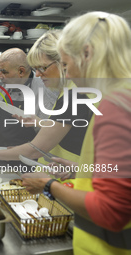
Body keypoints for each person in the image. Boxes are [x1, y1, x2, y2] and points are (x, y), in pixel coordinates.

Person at [22, 12, 131, 254]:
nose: (67, 75)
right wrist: (78, 169)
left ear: (88, 54)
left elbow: (112, 212)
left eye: (66, 64)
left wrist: (48, 184)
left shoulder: (116, 106)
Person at [0, 31, 91, 178]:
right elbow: (66, 128)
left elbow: (35, 149)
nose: (37, 74)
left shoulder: (74, 94)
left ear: (63, 62)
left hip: (75, 181)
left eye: (42, 68)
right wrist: (40, 122)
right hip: (62, 172)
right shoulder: (66, 90)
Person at [0, 48, 58, 148]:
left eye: (4, 72)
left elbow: (48, 131)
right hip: (0, 150)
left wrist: (18, 150)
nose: (0, 76)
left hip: (28, 156)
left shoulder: (44, 89)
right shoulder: (7, 84)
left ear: (21, 71)